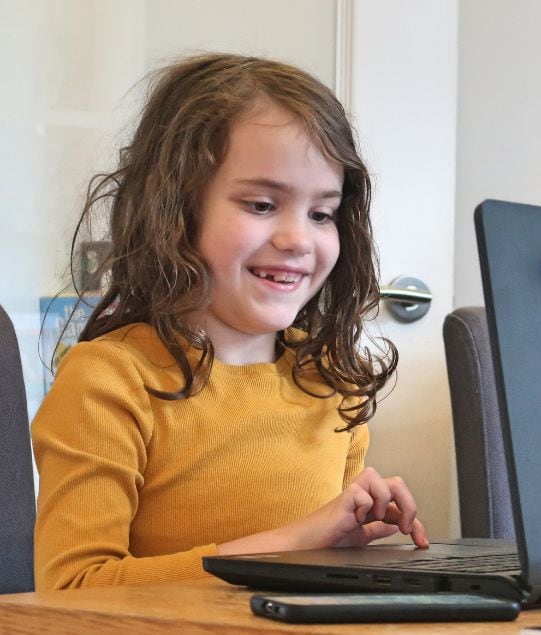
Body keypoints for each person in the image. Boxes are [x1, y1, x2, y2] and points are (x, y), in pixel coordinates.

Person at [32, 54, 429, 591]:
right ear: (177, 209)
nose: (298, 239)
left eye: (321, 214)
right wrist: (296, 541)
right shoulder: (109, 379)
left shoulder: (331, 379)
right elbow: (71, 590)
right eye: (263, 204)